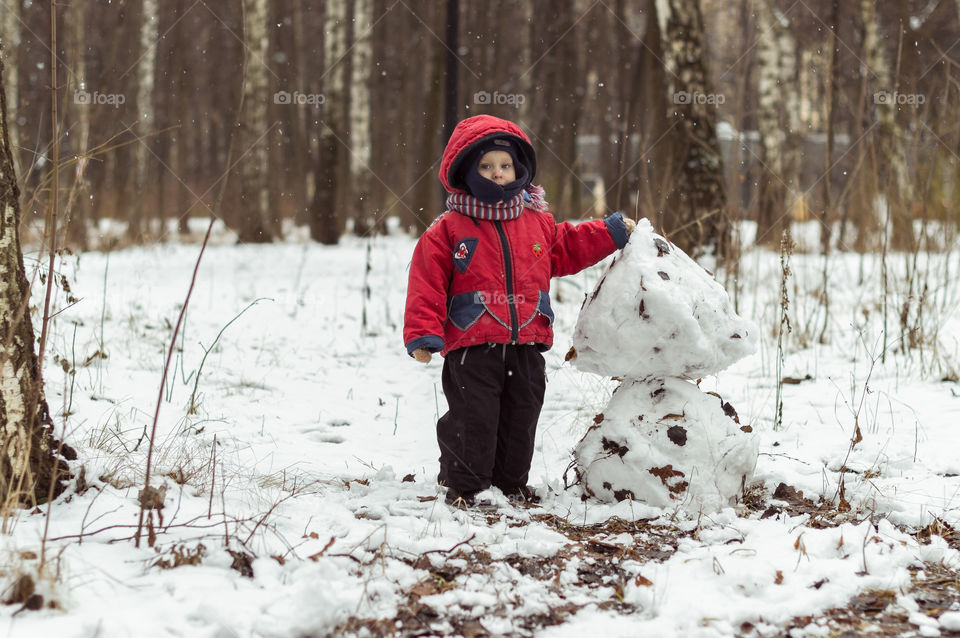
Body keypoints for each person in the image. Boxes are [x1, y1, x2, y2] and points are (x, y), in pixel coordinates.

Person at [403, 114, 635, 508]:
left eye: (505, 165)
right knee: (474, 417)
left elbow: (568, 245)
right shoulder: (450, 228)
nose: (498, 174)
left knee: (521, 415)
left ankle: (511, 483)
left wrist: (610, 232)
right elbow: (426, 282)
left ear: (519, 169)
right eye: (487, 166)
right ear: (466, 170)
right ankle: (466, 484)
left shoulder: (536, 222)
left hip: (527, 341)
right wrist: (423, 334)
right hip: (472, 343)